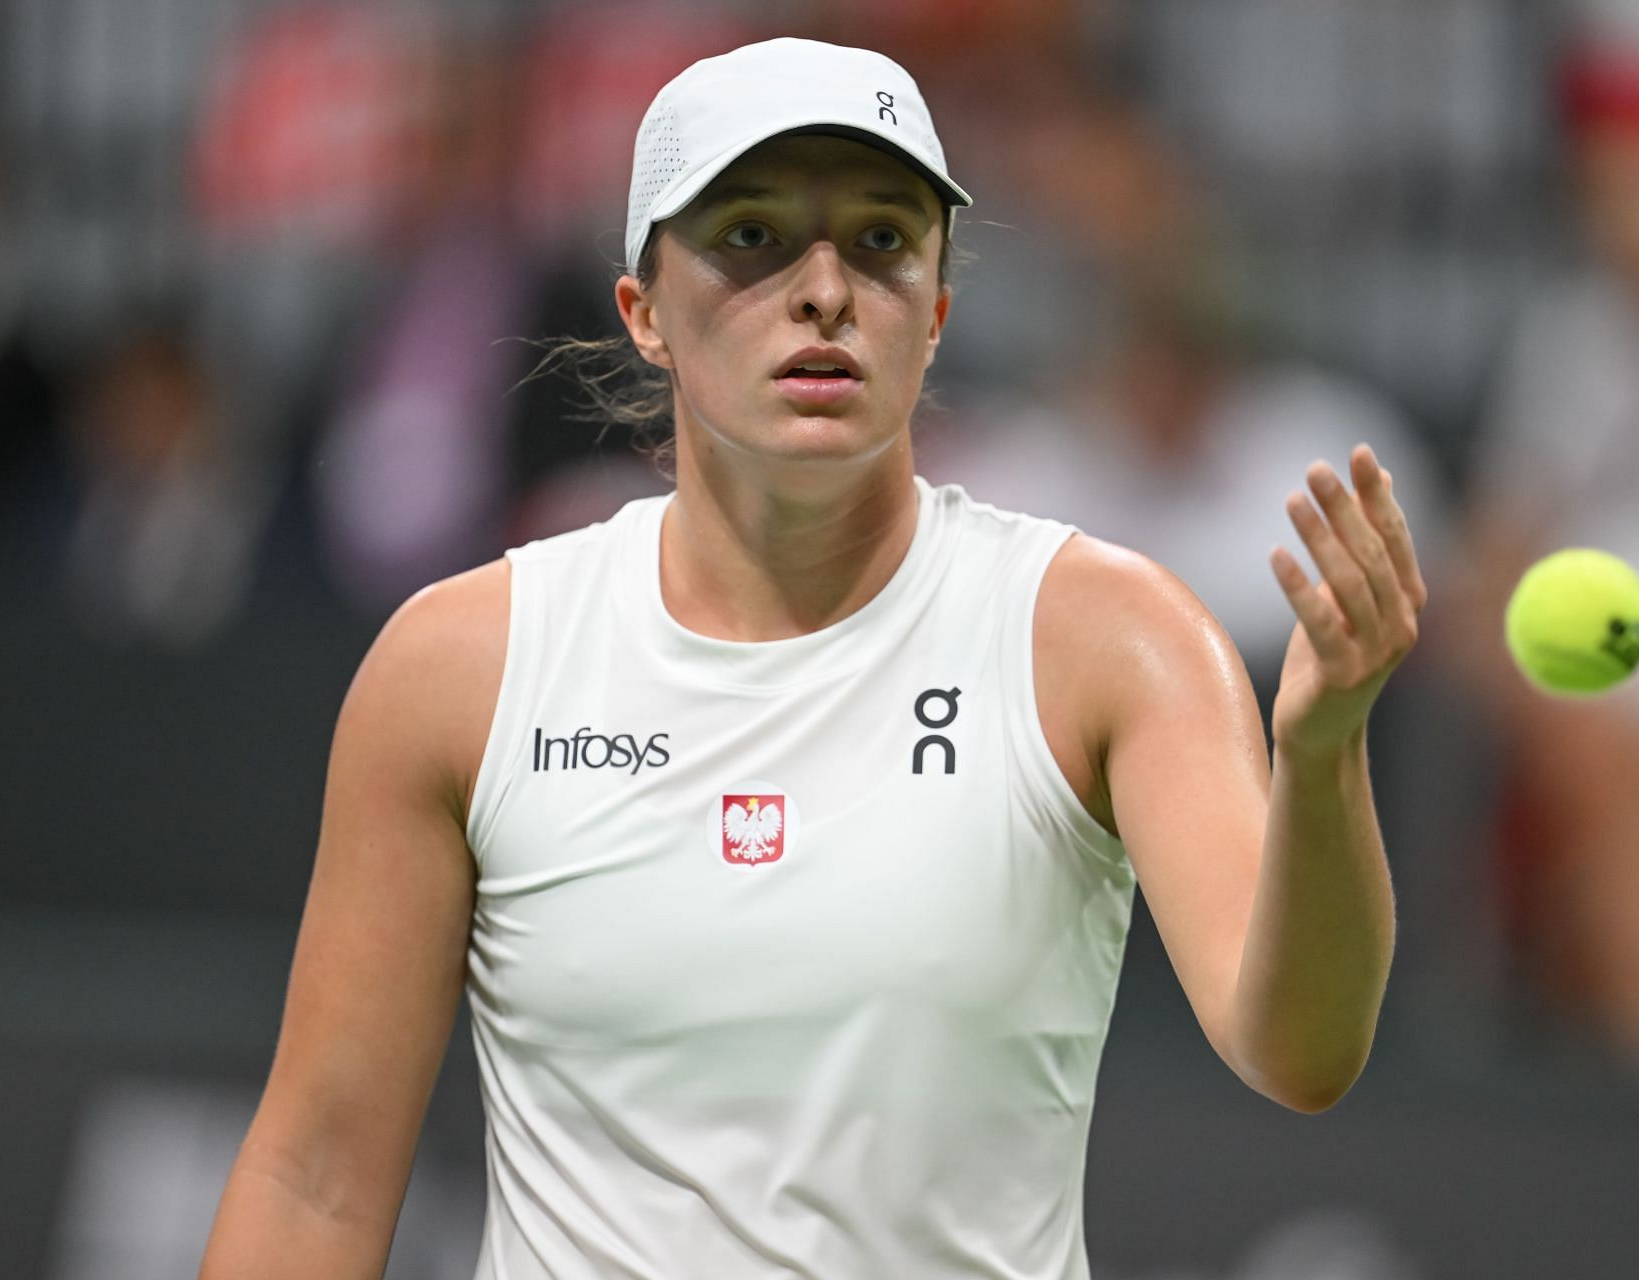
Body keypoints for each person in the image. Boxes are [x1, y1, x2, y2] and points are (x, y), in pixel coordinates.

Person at [199, 37, 1426, 1280]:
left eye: (884, 241)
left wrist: (1320, 759)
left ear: (938, 312)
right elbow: (317, 1173)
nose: (827, 288)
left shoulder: (1110, 638)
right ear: (644, 312)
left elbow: (1302, 1048)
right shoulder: (461, 665)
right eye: (752, 239)